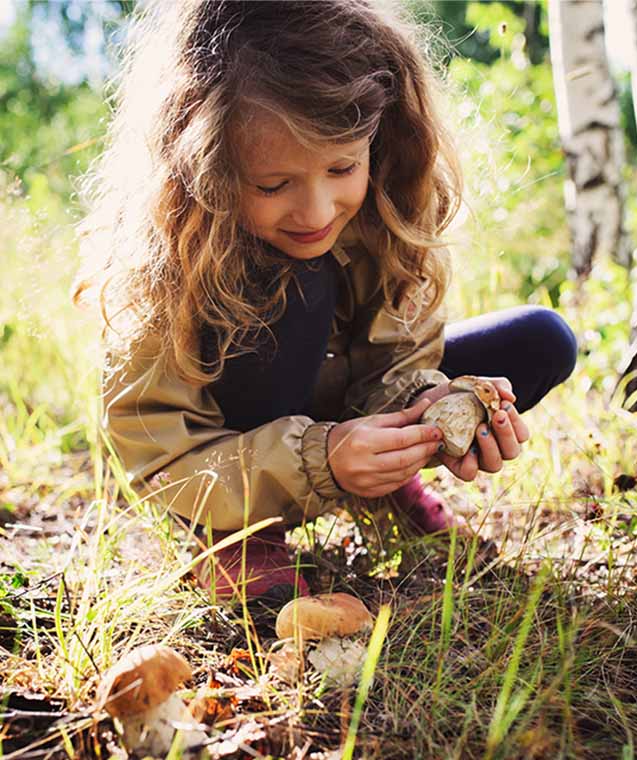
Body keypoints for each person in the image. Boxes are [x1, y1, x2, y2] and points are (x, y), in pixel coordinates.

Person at [73, 0, 577, 607]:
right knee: (296, 283)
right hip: (224, 458)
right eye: (273, 185)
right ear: (205, 167)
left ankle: (387, 485)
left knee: (540, 339)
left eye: (342, 167)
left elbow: (396, 358)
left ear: (379, 138)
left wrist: (422, 408)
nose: (315, 214)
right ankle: (236, 534)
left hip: (336, 407)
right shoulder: (168, 262)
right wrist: (324, 460)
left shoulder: (389, 208)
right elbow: (159, 457)